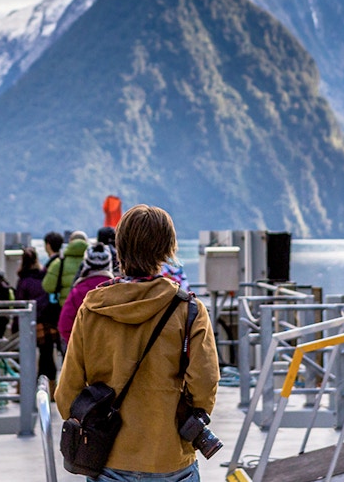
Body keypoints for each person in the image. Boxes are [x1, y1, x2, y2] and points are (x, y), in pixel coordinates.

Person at [57, 204, 219, 482]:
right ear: (168, 248)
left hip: (108, 458)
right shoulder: (188, 310)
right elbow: (205, 384)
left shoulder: (93, 308)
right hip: (169, 458)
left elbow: (67, 393)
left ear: (120, 248)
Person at [15, 246, 61, 383]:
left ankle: (24, 386)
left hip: (28, 321)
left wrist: (15, 325)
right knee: (46, 355)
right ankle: (49, 386)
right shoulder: (45, 276)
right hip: (47, 320)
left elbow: (19, 303)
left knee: (25, 355)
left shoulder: (23, 281)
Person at [57, 242, 114, 344]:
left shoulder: (78, 291)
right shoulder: (118, 289)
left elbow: (64, 325)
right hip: (114, 352)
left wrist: (79, 346)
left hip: (86, 351)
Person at [42, 230, 87, 304]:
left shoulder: (59, 263)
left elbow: (48, 286)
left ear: (70, 242)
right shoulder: (93, 262)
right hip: (87, 307)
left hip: (66, 306)